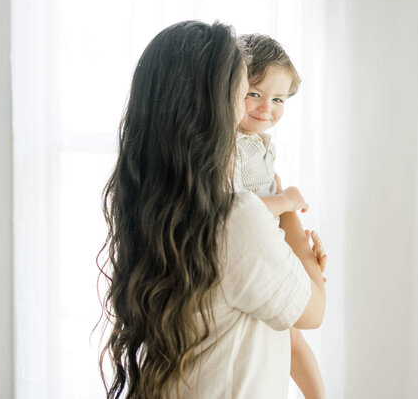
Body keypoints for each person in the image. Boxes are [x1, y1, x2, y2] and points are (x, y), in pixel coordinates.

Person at [99, 20, 326, 398]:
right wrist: (292, 223)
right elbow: (313, 311)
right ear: (212, 108)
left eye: (277, 99)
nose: (258, 109)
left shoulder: (161, 201)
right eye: (245, 93)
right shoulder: (235, 214)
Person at [234, 33, 327, 398]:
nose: (266, 108)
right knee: (288, 336)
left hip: (271, 247)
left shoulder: (259, 144)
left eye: (278, 99)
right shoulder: (230, 146)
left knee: (293, 339)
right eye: (254, 94)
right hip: (252, 251)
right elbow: (238, 208)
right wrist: (286, 200)